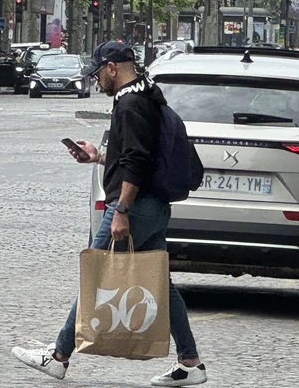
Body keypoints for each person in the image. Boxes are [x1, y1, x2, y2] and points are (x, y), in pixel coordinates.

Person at [11, 42, 207, 387]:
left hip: (137, 206)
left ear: (113, 67)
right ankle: (190, 363)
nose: (97, 80)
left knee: (97, 271)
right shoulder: (147, 94)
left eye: (99, 73)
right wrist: (99, 157)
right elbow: (140, 154)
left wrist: (121, 211)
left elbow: (136, 161)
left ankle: (58, 356)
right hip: (154, 205)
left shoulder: (131, 103)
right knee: (162, 282)